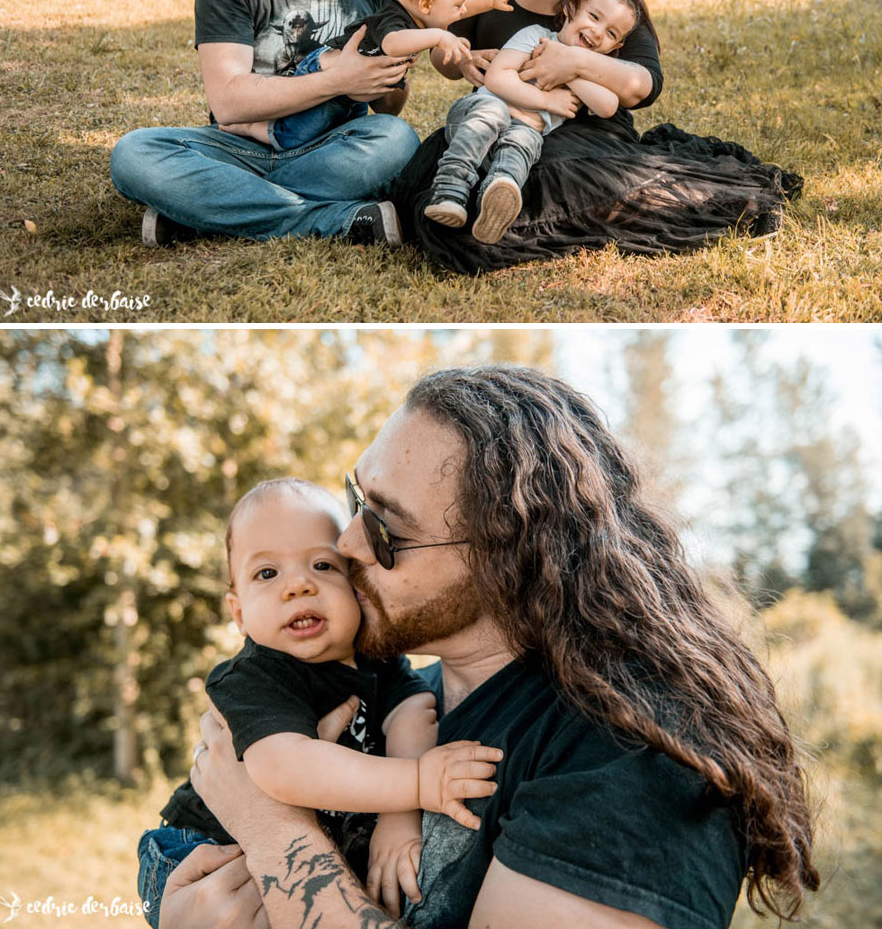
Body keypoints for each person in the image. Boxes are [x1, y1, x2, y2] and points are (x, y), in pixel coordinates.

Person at [162, 366, 820, 929]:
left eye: (388, 532)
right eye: (355, 501)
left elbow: (279, 839)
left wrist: (271, 829)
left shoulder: (632, 762)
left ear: (507, 558)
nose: (347, 546)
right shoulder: (394, 701)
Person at [392, 0, 803, 273]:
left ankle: (723, 201)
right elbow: (444, 58)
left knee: (551, 183)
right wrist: (461, 58)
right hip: (498, 115)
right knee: (438, 194)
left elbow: (643, 85)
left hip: (581, 130)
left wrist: (573, 63)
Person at [138, 477, 501, 927]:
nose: (297, 587)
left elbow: (414, 711)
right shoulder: (254, 676)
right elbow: (283, 769)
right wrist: (419, 782)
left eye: (324, 566)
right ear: (239, 614)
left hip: (301, 845)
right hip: (206, 849)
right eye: (267, 574)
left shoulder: (376, 658)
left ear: (357, 586)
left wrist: (399, 817)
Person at [109, 0, 421, 249]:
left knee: (396, 139)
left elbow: (389, 108)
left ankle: (207, 212)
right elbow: (230, 103)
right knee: (135, 153)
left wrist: (389, 77)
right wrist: (338, 79)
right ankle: (332, 219)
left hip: (333, 148)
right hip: (238, 147)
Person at [222, 0, 520, 152]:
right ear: (426, 4)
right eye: (457, 5)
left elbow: (460, 8)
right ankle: (249, 128)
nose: (461, 11)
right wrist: (440, 37)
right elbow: (392, 44)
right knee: (298, 133)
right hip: (327, 70)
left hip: (354, 86)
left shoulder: (423, 11)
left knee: (339, 127)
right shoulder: (395, 17)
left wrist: (492, 1)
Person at [424, 0, 639, 243]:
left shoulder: (590, 70)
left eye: (611, 34)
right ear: (571, 8)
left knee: (525, 141)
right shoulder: (537, 36)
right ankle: (450, 189)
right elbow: (497, 78)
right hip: (476, 117)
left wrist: (570, 70)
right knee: (492, 112)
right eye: (594, 17)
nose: (597, 32)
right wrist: (547, 100)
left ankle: (497, 198)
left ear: (615, 46)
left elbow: (608, 107)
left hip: (518, 133)